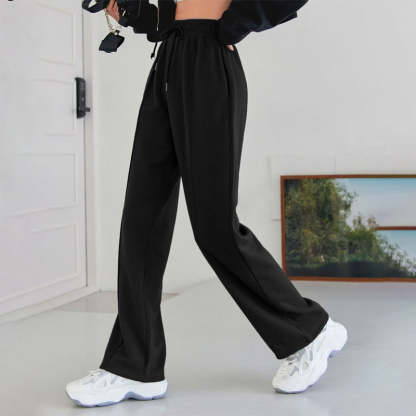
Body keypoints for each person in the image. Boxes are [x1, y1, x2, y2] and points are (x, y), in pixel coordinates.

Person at [66, 0, 347, 407]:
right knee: (141, 221)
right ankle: (134, 365)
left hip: (209, 64)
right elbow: (166, 15)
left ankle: (309, 332)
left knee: (215, 226)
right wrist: (128, 10)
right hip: (169, 60)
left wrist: (233, 24)